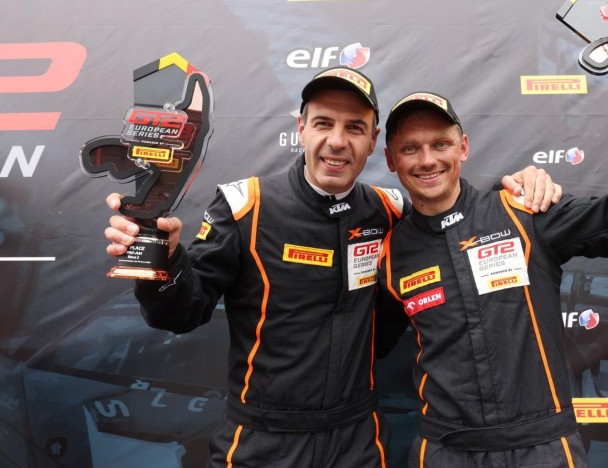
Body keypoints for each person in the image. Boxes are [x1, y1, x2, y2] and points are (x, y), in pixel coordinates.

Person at [104, 66, 561, 467]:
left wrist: (524, 186)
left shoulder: (389, 209)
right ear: (301, 128)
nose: (337, 142)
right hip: (263, 441)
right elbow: (181, 313)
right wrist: (161, 257)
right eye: (324, 123)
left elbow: (457, 213)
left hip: (357, 440)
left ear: (373, 142)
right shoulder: (246, 205)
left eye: (355, 128)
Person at [377, 49, 608, 467]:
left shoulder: (523, 211)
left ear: (463, 148)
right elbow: (354, 340)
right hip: (444, 452)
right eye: (410, 148)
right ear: (391, 160)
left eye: (441, 144)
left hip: (542, 449)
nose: (427, 160)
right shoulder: (390, 252)